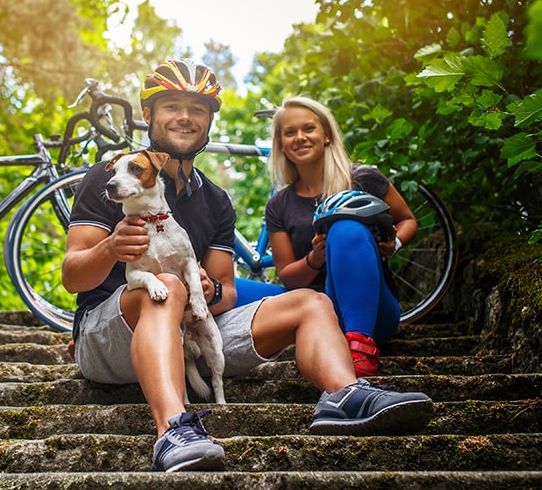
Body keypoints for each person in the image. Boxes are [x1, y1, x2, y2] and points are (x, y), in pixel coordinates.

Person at [62, 60, 432, 473]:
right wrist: (111, 248)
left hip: (190, 336)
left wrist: (209, 290)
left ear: (208, 122)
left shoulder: (217, 200)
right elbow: (72, 276)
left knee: (309, 301)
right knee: (167, 284)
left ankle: (345, 394)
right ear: (148, 115)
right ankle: (172, 430)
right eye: (171, 106)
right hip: (108, 338)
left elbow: (227, 291)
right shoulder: (110, 178)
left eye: (198, 109)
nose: (185, 116)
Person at [259, 96, 418, 378]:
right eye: (290, 132)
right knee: (226, 289)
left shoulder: (364, 179)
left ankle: (359, 353)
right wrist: (315, 258)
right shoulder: (279, 204)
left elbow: (407, 220)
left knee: (345, 228)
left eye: (308, 128)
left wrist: (394, 244)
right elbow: (288, 276)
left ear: (327, 135)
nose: (300, 137)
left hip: (372, 310)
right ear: (281, 144)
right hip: (314, 309)